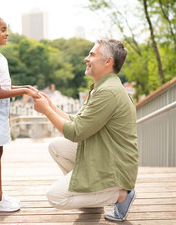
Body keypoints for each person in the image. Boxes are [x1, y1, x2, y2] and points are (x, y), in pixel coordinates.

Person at [33, 38, 138, 221]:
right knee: (56, 146)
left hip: (115, 166)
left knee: (55, 197)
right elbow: (78, 122)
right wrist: (51, 106)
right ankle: (94, 198)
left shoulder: (108, 92)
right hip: (104, 154)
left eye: (91, 54)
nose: (86, 58)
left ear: (108, 62)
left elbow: (76, 133)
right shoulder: (103, 87)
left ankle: (120, 195)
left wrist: (46, 111)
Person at [0, 15, 39, 212]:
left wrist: (25, 87)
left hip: (0, 110)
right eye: (3, 29)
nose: (7, 33)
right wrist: (24, 91)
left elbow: (6, 86)